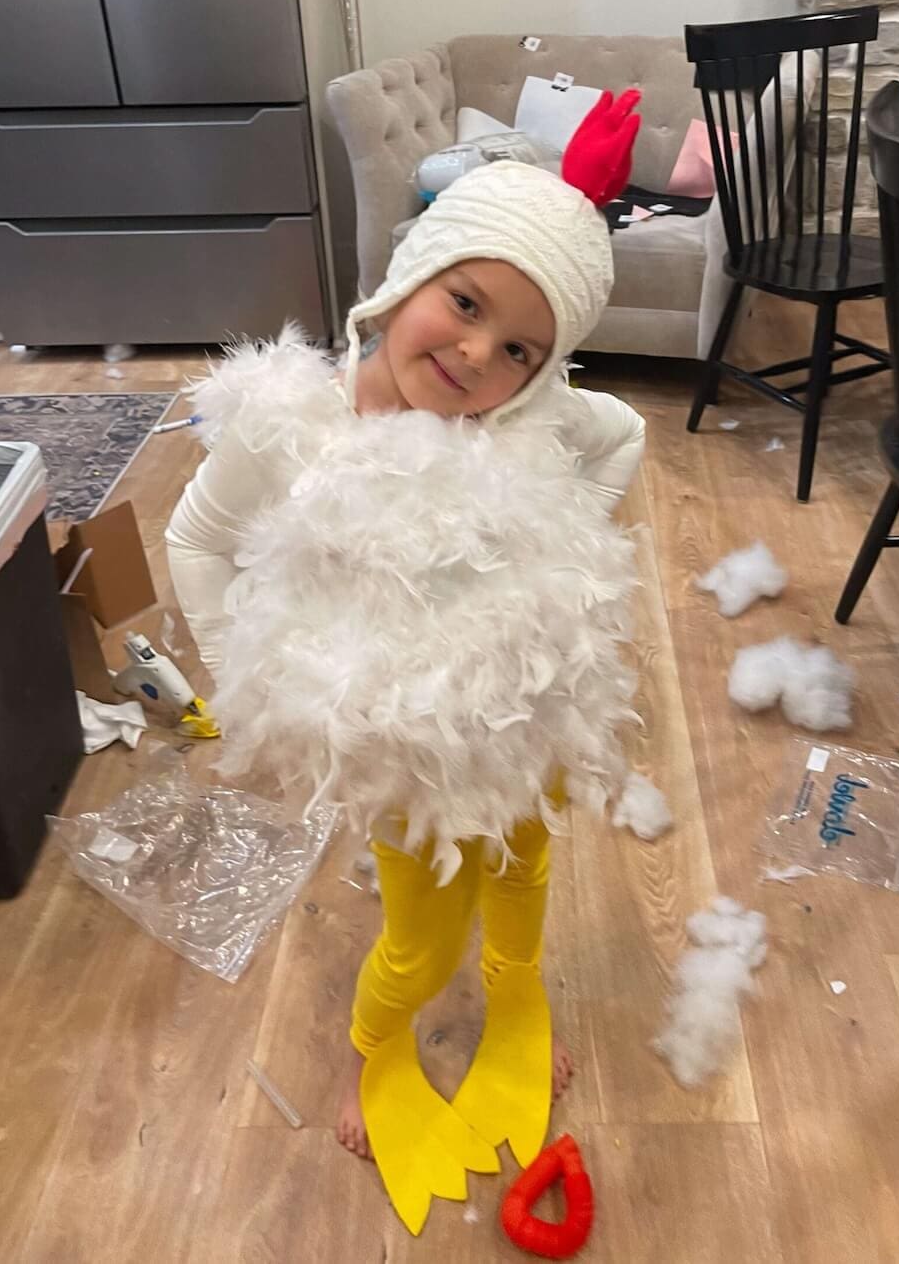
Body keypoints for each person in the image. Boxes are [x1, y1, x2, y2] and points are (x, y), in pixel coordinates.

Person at [165, 92, 646, 1234]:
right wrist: (253, 675)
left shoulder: (530, 421)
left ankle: (518, 1001)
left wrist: (565, 558)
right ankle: (369, 1052)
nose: (477, 354)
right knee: (422, 935)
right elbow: (194, 539)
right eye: (465, 304)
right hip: (397, 738)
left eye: (519, 349)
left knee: (523, 873)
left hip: (522, 712)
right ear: (407, 281)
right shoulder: (294, 427)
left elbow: (622, 434)